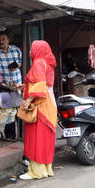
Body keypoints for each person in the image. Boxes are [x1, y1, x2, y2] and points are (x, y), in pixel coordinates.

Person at [19, 40, 57, 180]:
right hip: (50, 105)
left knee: (37, 139)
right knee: (45, 139)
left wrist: (27, 102)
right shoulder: (47, 63)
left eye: (32, 49)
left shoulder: (38, 63)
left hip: (40, 107)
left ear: (38, 50)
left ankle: (36, 172)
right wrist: (24, 86)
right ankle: (46, 169)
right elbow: (42, 84)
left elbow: (39, 88)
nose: (30, 52)